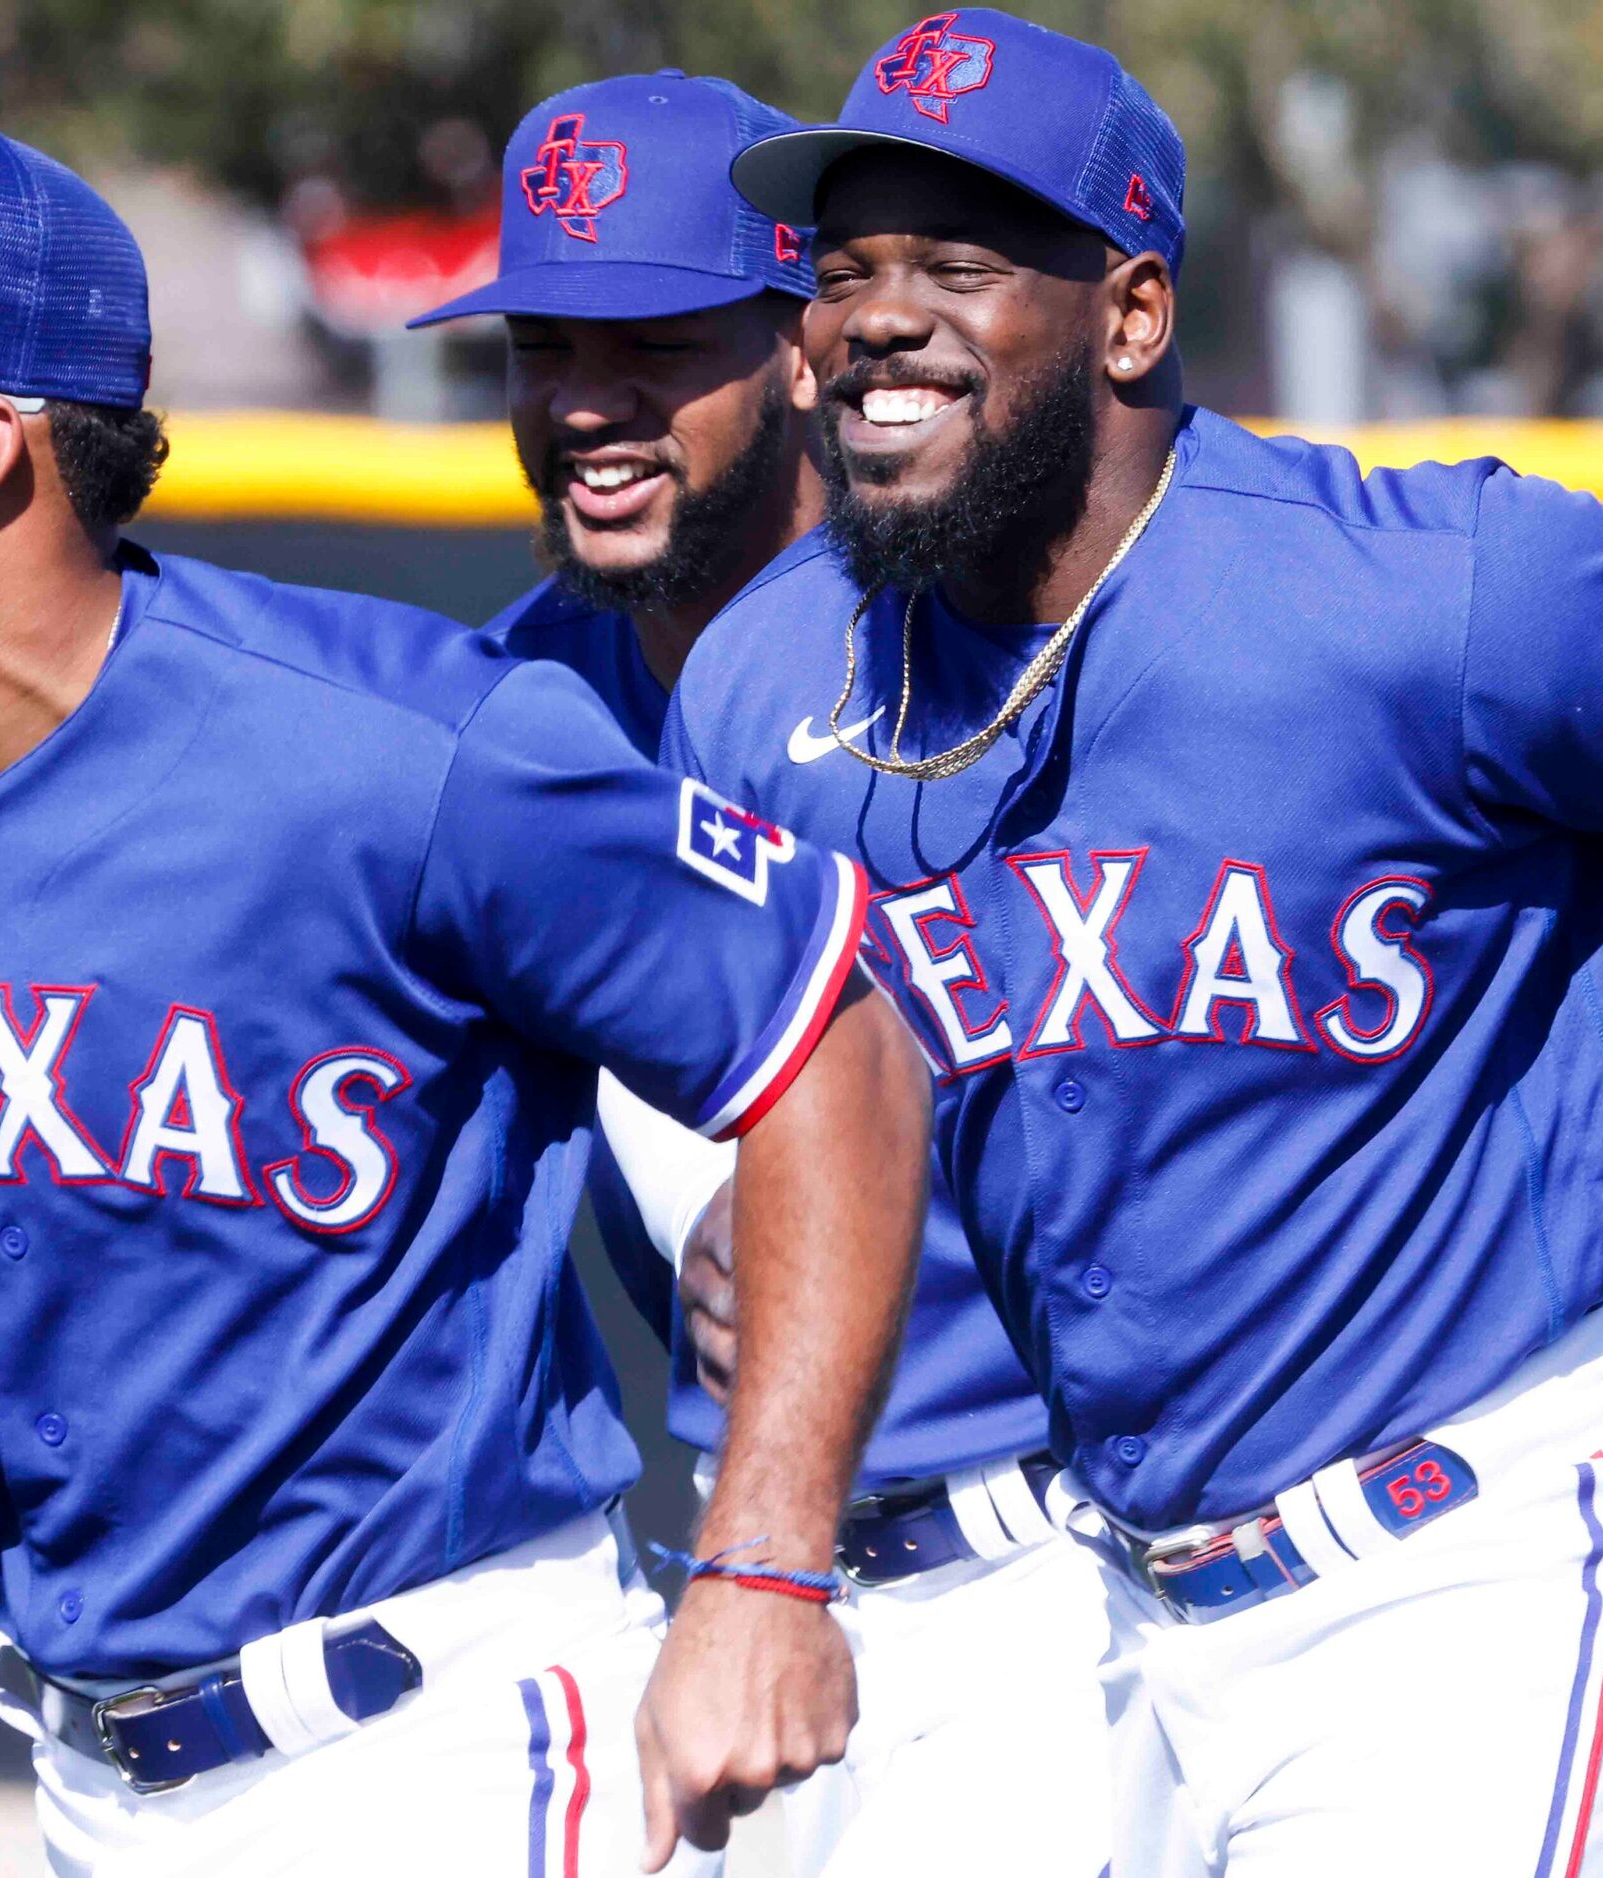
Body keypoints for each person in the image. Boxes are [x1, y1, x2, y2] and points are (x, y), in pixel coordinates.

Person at [0, 105, 934, 1877]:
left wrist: (757, 1571)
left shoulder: (402, 748)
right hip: (81, 1775)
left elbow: (834, 1038)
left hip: (442, 1738)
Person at [669, 13, 1603, 1875]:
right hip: (1120, 1622)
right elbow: (796, 1058)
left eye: (957, 263)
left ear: (1129, 316)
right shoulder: (772, 675)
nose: (871, 316)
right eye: (843, 268)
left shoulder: (1426, 589)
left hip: (1481, 1566)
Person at [413, 74, 1116, 1878]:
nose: (584, 403)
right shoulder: (504, 728)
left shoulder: (1010, 641)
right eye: (541, 343)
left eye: (651, 344)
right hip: (749, 1581)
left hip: (1075, 1568)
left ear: (802, 348)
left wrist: (833, 1194)